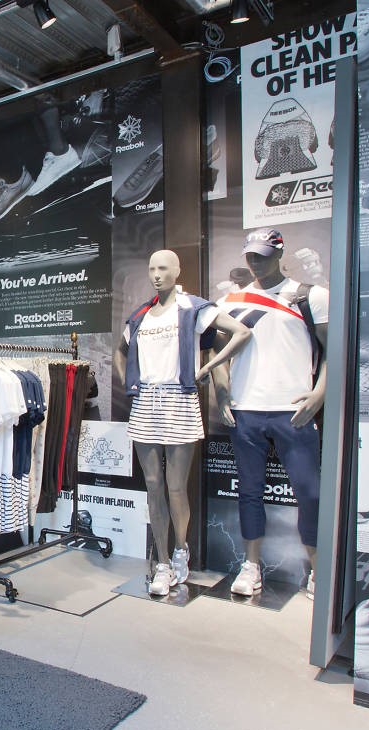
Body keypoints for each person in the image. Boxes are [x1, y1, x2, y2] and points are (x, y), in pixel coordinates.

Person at [115, 249, 250, 597]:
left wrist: (208, 367)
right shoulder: (140, 315)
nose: (156, 275)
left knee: (176, 487)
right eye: (151, 269)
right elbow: (120, 350)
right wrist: (129, 382)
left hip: (179, 400)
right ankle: (162, 563)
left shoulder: (194, 308)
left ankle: (180, 548)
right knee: (153, 485)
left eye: (163, 268)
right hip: (146, 401)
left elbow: (241, 333)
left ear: (177, 270)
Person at [214, 229, 329, 598]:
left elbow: (333, 350)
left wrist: (319, 394)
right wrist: (222, 393)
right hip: (246, 411)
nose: (256, 262)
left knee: (309, 493)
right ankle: (251, 566)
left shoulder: (309, 296)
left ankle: (318, 569)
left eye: (263, 255)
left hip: (292, 411)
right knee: (249, 491)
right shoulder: (230, 301)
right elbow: (218, 353)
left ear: (279, 253)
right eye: (251, 255)